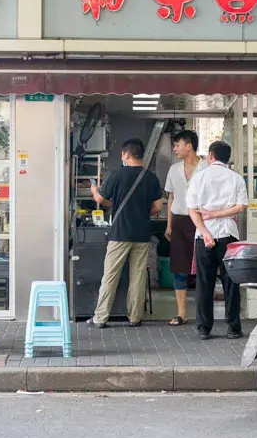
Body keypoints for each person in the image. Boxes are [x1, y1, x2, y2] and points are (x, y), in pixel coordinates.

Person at [88, 138, 163, 328]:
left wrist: (94, 190)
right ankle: (135, 317)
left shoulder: (117, 174)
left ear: (127, 154)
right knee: (138, 276)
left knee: (110, 275)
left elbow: (102, 199)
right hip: (142, 234)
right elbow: (157, 207)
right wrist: (140, 212)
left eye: (122, 154)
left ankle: (100, 317)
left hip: (120, 233)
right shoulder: (151, 177)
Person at [186, 140, 248, 340]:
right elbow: (240, 207)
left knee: (205, 282)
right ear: (227, 158)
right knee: (231, 281)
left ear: (211, 156)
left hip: (204, 236)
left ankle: (204, 328)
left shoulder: (199, 178)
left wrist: (205, 232)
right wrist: (218, 214)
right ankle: (233, 328)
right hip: (228, 234)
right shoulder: (237, 178)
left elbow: (192, 210)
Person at [164, 129, 207, 326]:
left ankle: (203, 312)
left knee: (203, 268)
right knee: (179, 269)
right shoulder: (173, 169)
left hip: (203, 221)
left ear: (189, 146)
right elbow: (171, 197)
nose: (174, 149)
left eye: (177, 145)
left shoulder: (206, 167)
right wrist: (169, 224)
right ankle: (181, 313)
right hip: (180, 220)